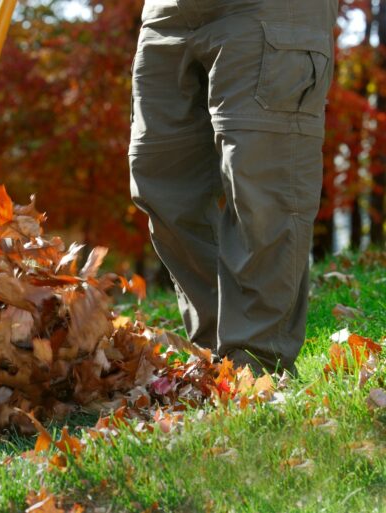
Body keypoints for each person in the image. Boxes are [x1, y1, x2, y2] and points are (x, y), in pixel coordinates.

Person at [129, 0, 338, 374]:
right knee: (160, 178)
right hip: (168, 12)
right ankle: (215, 361)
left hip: (265, 9)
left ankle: (255, 367)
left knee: (261, 188)